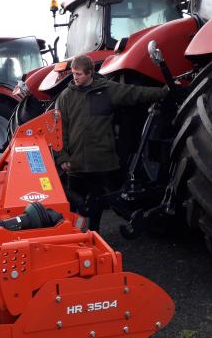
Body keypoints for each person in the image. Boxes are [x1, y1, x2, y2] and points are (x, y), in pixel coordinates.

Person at [55, 55, 168, 231]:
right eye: (73, 73)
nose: (74, 77)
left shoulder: (107, 90)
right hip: (75, 164)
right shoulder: (65, 97)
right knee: (72, 204)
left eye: (78, 74)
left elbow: (135, 93)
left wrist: (164, 92)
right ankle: (71, 235)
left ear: (90, 73)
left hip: (99, 162)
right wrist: (63, 157)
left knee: (97, 203)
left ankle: (95, 234)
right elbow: (59, 130)